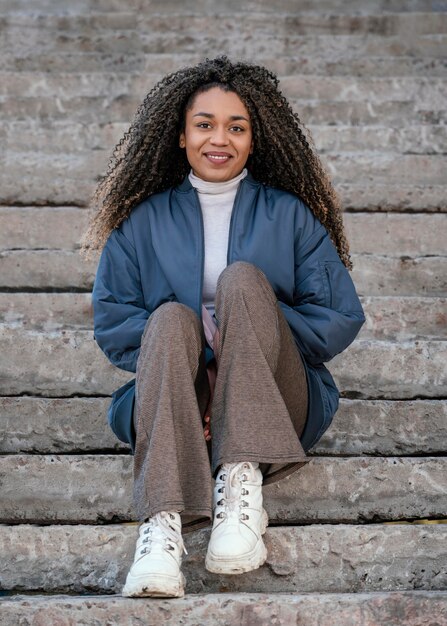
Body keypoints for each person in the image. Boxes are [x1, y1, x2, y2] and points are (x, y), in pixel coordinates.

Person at [83, 56, 365, 598]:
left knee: (241, 281)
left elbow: (338, 315)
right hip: (179, 396)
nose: (221, 139)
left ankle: (240, 479)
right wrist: (206, 363)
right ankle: (162, 527)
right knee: (166, 319)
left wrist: (243, 346)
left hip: (280, 396)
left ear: (255, 139)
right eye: (205, 124)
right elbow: (115, 322)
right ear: (181, 136)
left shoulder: (289, 214)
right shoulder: (141, 222)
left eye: (237, 127)